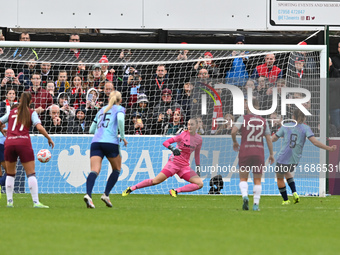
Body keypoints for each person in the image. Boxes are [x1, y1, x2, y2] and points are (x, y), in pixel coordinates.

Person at [122, 118, 203, 197]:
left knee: (200, 184)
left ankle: (175, 191)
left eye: (192, 125)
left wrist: (198, 168)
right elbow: (166, 142)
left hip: (184, 166)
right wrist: (173, 148)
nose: (189, 126)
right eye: (188, 124)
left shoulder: (199, 139)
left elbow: (197, 155)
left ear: (196, 126)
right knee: (155, 181)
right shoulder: (182, 135)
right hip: (174, 163)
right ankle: (131, 188)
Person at [271, 108, 337, 205]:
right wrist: (329, 148)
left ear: (293, 117)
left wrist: (268, 135)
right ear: (304, 118)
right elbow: (315, 142)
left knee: (280, 177)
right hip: (295, 158)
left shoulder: (286, 126)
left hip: (283, 156)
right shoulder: (306, 128)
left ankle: (286, 200)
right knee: (287, 172)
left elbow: (273, 139)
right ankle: (295, 193)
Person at [0, 92, 54, 208]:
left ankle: (9, 202)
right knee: (30, 173)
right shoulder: (31, 112)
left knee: (10, 173)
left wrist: (3, 130)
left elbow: (0, 121)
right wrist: (48, 137)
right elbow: (38, 126)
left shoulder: (11, 112)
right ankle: (36, 202)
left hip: (9, 143)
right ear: (30, 101)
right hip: (23, 143)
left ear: (19, 100)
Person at [84, 91, 128, 208]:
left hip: (96, 142)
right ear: (120, 100)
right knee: (117, 169)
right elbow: (120, 120)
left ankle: (88, 195)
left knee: (94, 170)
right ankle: (106, 194)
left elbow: (91, 130)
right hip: (110, 142)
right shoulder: (119, 108)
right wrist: (122, 136)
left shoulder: (101, 110)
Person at [231, 99, 275, 211]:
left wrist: (235, 142)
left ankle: (245, 196)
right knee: (257, 180)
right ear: (258, 107)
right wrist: (271, 154)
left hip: (245, 151)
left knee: (243, 178)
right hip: (259, 152)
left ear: (249, 107)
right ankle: (256, 204)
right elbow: (269, 139)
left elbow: (233, 131)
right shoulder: (264, 121)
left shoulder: (243, 118)